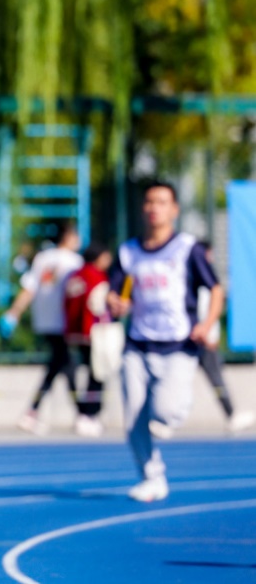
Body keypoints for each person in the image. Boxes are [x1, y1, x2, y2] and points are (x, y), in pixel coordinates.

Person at [108, 180, 224, 502]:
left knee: (165, 411)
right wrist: (115, 302)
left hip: (178, 344)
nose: (153, 208)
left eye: (161, 202)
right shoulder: (129, 252)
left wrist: (207, 324)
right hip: (138, 343)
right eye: (149, 202)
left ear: (174, 209)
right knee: (133, 419)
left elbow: (215, 288)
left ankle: (176, 407)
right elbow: (116, 291)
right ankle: (152, 477)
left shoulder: (187, 248)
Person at [0, 222, 85, 434]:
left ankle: (40, 411)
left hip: (45, 322)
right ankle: (78, 414)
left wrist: (14, 312)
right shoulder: (75, 261)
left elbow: (29, 289)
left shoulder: (42, 258)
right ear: (68, 236)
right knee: (63, 365)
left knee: (60, 365)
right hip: (64, 322)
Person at [194, 240, 252, 433]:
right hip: (199, 339)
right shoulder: (195, 278)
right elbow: (200, 309)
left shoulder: (207, 277)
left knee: (215, 379)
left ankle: (231, 413)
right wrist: (206, 332)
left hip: (205, 338)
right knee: (213, 379)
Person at [62, 242, 114, 436]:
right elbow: (97, 305)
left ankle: (83, 413)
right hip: (94, 333)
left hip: (75, 331)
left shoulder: (75, 275)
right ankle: (89, 414)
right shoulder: (96, 276)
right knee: (97, 374)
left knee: (77, 372)